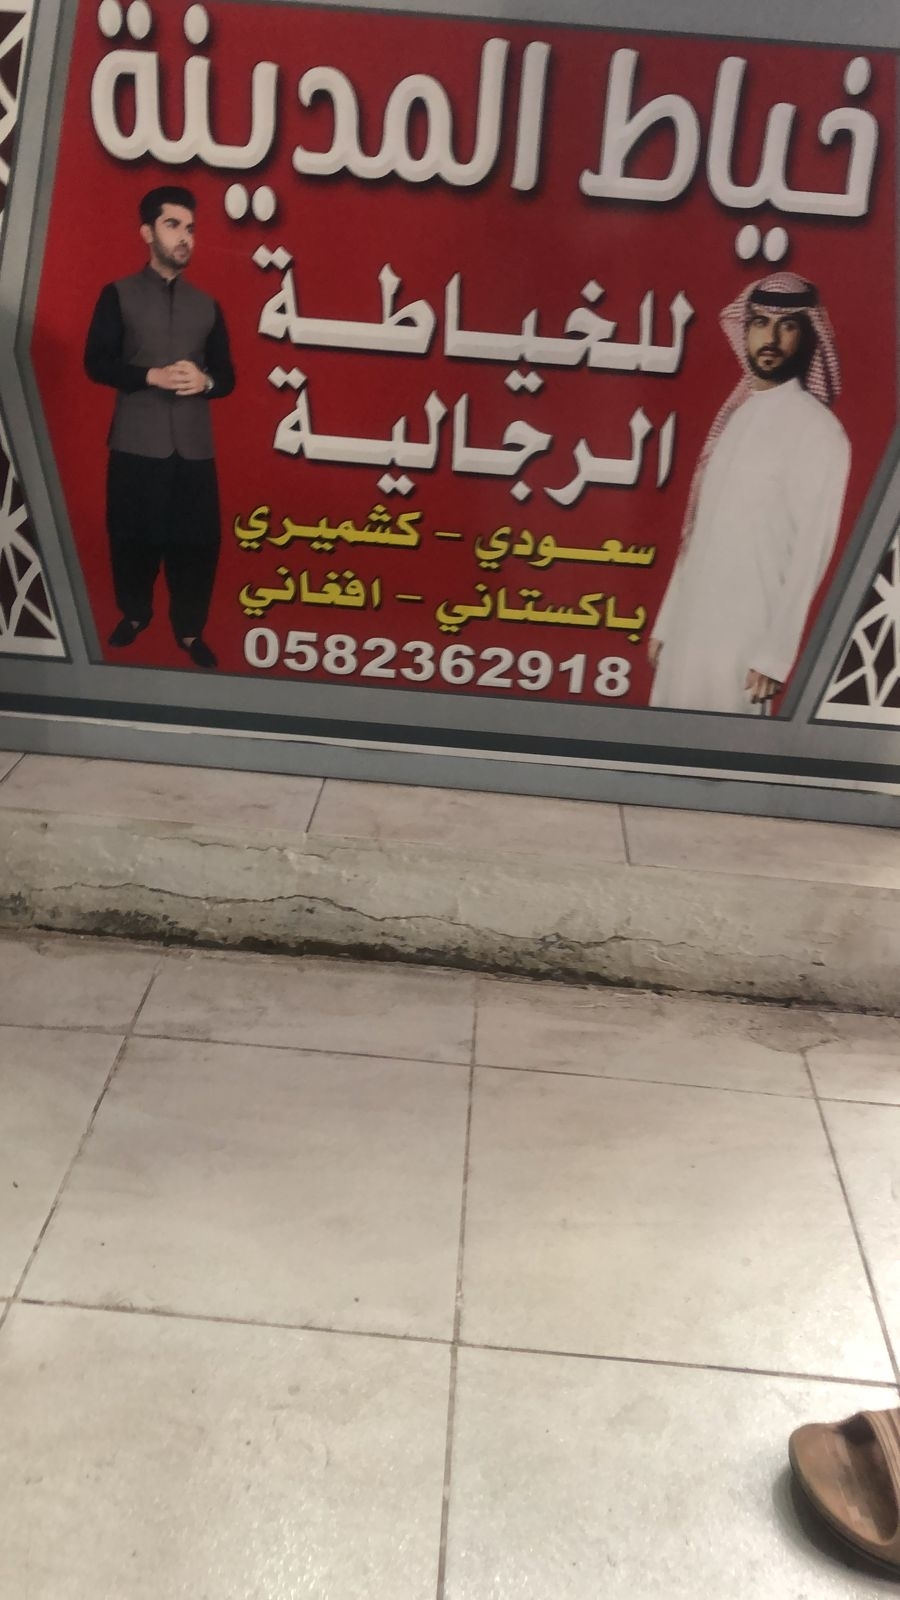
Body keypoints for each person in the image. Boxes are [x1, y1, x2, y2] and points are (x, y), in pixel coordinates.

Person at [648, 271, 850, 715]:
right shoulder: (736, 417)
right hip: (688, 629)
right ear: (745, 329)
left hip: (746, 638)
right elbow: (698, 534)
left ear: (807, 336)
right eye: (760, 323)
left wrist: (775, 656)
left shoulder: (819, 432)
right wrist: (667, 622)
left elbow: (810, 555)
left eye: (787, 326)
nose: (770, 338)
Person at [84, 185, 235, 669]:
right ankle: (134, 615)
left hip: (194, 448)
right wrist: (150, 376)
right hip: (136, 443)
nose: (185, 237)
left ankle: (190, 631)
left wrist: (206, 381)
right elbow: (96, 363)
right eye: (173, 225)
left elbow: (227, 376)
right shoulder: (118, 295)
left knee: (198, 544)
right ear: (147, 232)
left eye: (190, 228)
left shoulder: (208, 305)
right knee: (132, 538)